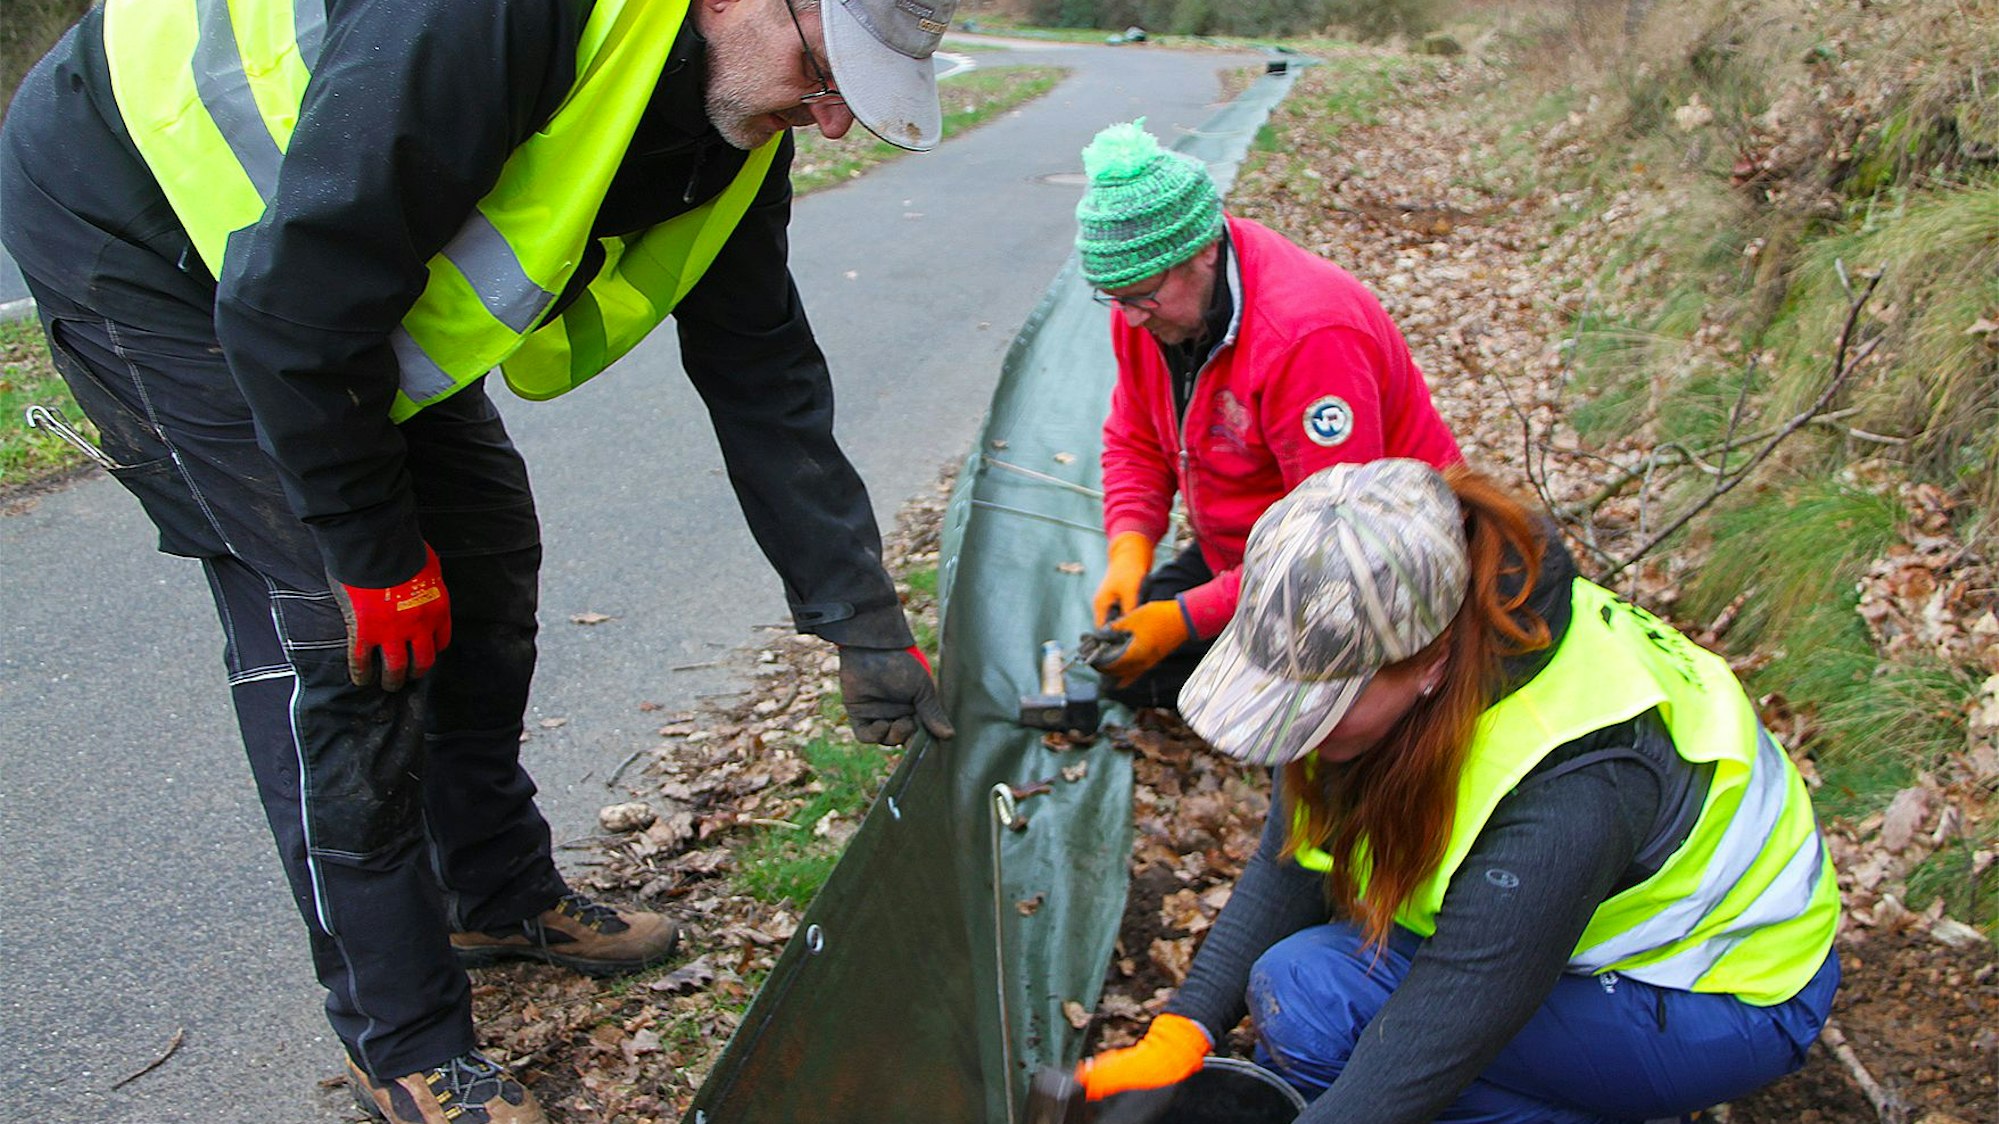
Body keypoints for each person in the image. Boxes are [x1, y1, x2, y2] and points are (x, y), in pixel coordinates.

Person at [0, 0, 958, 1117]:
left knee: (485, 554)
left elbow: (765, 373)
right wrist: (370, 551)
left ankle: (493, 891)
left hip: (323, 267)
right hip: (140, 225)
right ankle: (399, 1030)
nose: (830, 121)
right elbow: (290, 311)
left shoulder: (733, 119)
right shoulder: (487, 20)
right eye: (823, 73)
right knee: (342, 627)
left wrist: (859, 615)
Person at [1074, 459, 1840, 1123]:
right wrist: (1181, 1032)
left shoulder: (1574, 778)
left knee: (1313, 1004)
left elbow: (1442, 1024)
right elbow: (1293, 855)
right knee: (1307, 984)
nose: (1300, 738)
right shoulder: (1387, 629)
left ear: (1430, 660)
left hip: (1719, 989)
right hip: (1572, 935)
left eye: (1321, 709)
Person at [1072, 121, 1462, 709]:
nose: (1128, 318)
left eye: (1141, 296)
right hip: (1245, 546)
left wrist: (1185, 618)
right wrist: (1130, 549)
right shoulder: (1148, 305)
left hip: (1374, 560)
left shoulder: (1306, 337)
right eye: (1115, 297)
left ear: (1203, 251)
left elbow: (1329, 550)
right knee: (1124, 668)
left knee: (1266, 704)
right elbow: (1133, 438)